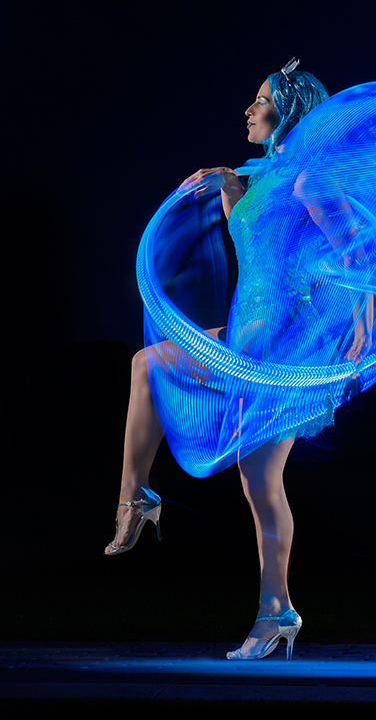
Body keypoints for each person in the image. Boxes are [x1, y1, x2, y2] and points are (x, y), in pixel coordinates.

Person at [106, 59, 333, 661]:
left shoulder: (309, 183)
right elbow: (251, 243)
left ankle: (275, 613)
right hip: (243, 333)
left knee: (261, 485)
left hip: (279, 348)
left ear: (288, 111)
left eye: (260, 100)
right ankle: (138, 500)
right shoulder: (263, 182)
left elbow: (348, 261)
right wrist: (227, 184)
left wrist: (349, 339)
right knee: (148, 366)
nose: (248, 110)